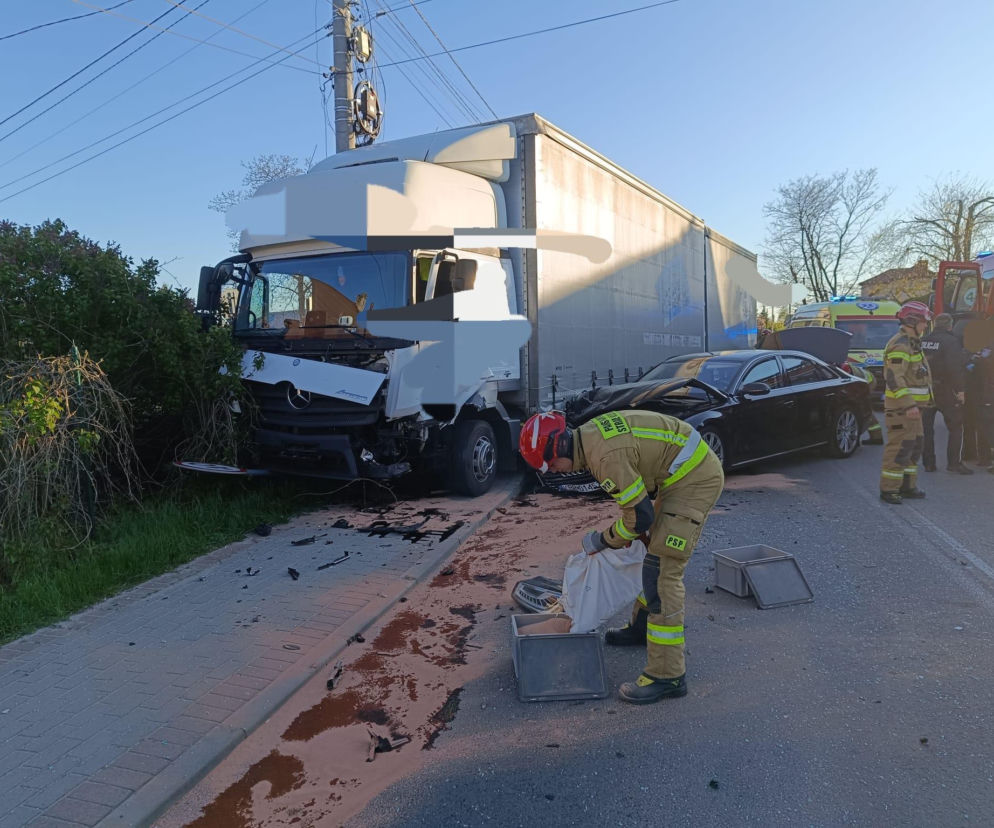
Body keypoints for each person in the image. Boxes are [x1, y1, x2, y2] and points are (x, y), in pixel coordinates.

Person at [519, 409, 724, 704]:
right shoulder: (590, 438)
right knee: (649, 551)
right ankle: (642, 629)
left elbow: (640, 516)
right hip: (679, 476)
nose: (555, 472)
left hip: (695, 481)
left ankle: (668, 676)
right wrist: (628, 535)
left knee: (661, 573)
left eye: (551, 466)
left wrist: (603, 540)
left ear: (558, 448)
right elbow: (639, 505)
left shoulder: (604, 457)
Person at [879, 301, 935, 504]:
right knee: (899, 447)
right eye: (923, 321)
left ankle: (907, 486)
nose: (925, 325)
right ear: (912, 321)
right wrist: (909, 404)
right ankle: (889, 489)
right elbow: (894, 378)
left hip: (914, 409)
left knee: (914, 445)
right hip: (902, 409)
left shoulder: (912, 342)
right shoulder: (901, 344)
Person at [920, 313, 972, 474]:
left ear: (935, 325)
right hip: (946, 390)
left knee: (926, 429)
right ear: (950, 326)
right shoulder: (951, 341)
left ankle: (928, 463)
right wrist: (961, 390)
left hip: (926, 389)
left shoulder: (923, 340)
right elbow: (954, 368)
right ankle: (954, 463)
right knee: (956, 426)